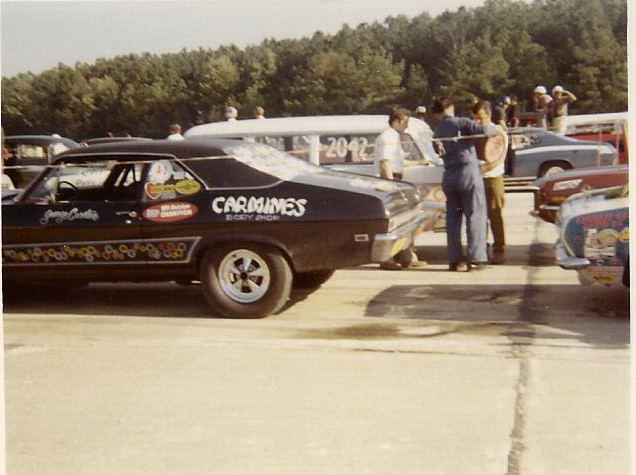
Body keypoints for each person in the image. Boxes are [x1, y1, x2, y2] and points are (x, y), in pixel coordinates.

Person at [432, 96, 497, 272]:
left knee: (453, 219)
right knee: (475, 215)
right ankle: (476, 258)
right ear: (451, 107)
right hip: (467, 172)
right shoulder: (461, 122)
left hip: (449, 175)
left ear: (437, 113)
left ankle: (454, 260)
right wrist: (498, 129)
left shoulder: (437, 131)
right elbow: (485, 131)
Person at [373, 107, 424, 270]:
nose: (407, 126)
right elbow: (385, 163)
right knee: (392, 221)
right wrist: (390, 187)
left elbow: (398, 162)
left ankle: (404, 256)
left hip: (396, 178)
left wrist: (420, 163)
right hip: (390, 180)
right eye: (406, 122)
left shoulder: (394, 136)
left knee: (403, 220)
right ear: (398, 120)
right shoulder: (387, 136)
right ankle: (386, 259)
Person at [472, 101, 507, 264]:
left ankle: (499, 248)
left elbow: (498, 157)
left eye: (480, 118)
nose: (478, 122)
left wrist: (481, 170)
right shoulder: (474, 131)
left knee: (495, 214)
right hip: (478, 178)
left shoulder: (498, 132)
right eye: (475, 118)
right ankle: (481, 248)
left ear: (489, 115)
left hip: (493, 178)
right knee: (479, 216)